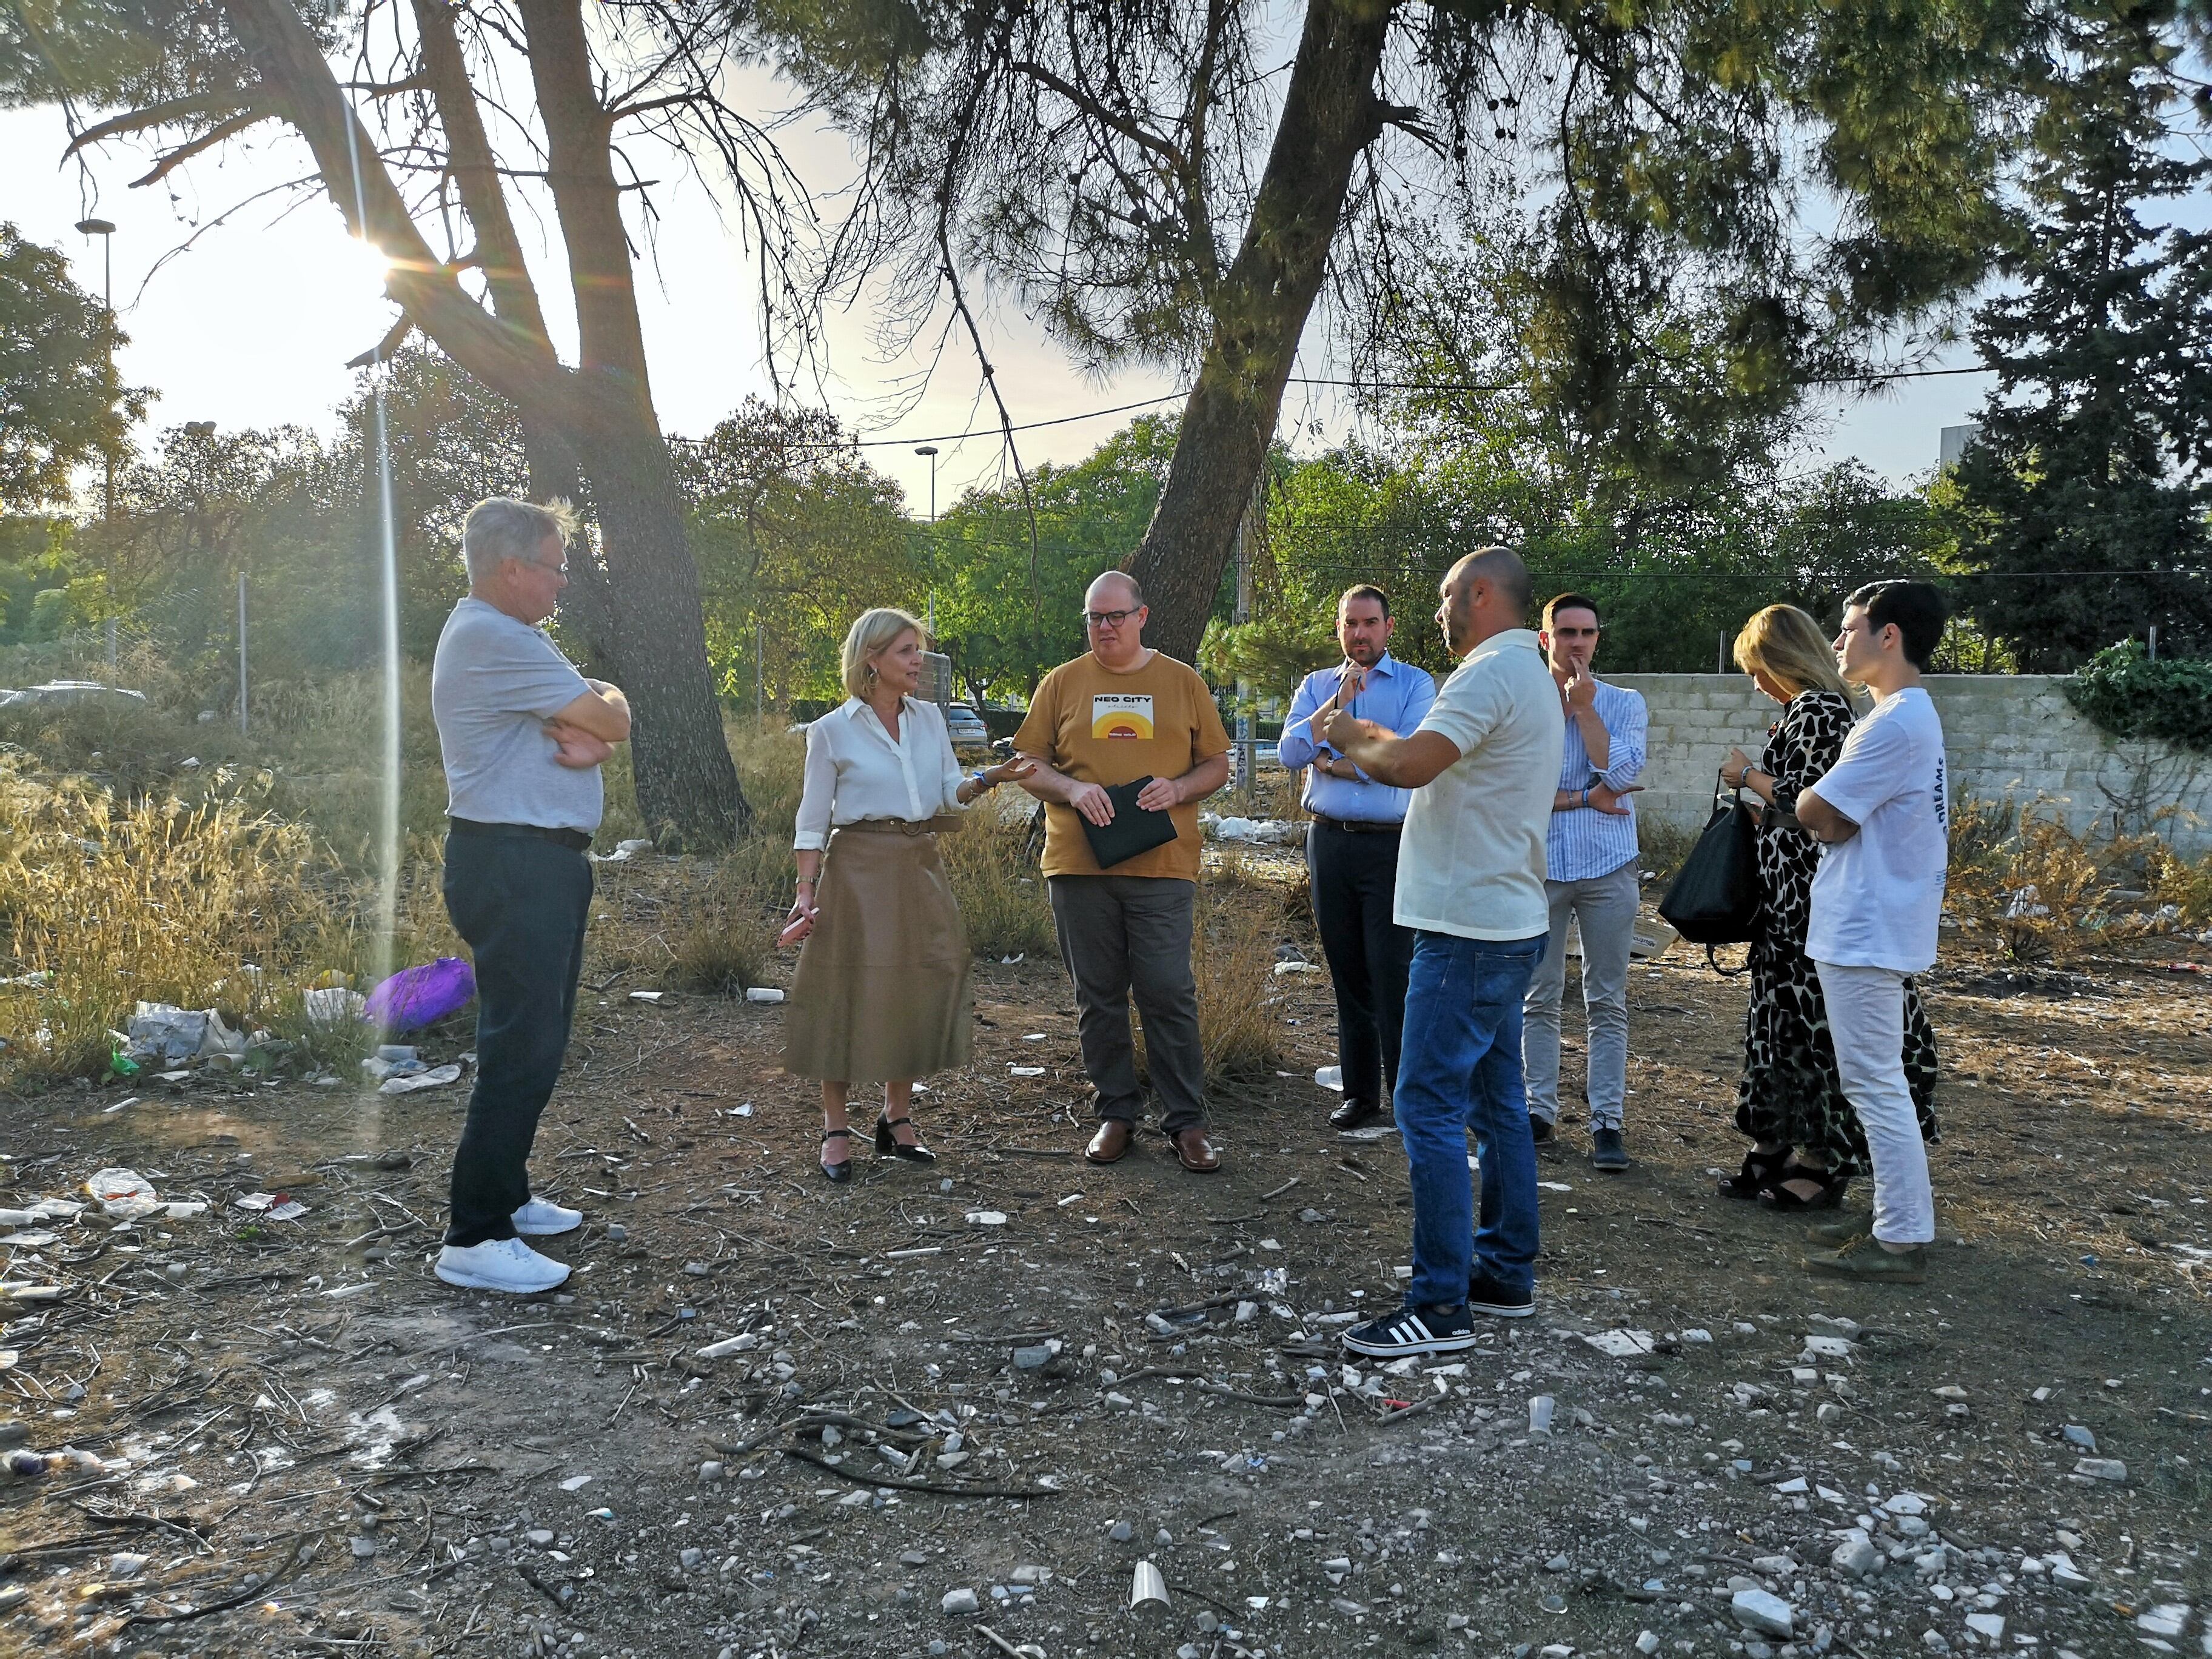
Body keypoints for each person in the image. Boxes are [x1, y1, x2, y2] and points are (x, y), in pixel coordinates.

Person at [1321, 549, 1564, 1356]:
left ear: (1482, 595)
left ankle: (1439, 1305)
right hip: (1502, 924)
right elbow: (1430, 749)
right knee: (1496, 1108)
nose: (1439, 611)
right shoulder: (1526, 671)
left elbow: (1414, 765)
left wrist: (1352, 733)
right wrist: (1371, 735)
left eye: (1446, 595)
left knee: (1424, 1103)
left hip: (1466, 933)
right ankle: (1502, 1274)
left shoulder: (1489, 672)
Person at [431, 497, 631, 1295]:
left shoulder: (512, 639)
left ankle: (506, 1197)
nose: (560, 584)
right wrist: (605, 715)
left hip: (533, 860)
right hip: (514, 862)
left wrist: (602, 712)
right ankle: (473, 1235)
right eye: (554, 568)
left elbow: (603, 711)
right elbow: (607, 718)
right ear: (512, 569)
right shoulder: (493, 636)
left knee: (538, 1040)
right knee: (522, 1047)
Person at [782, 609, 1034, 1180]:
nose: (918, 660)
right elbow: (811, 818)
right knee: (846, 989)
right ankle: (835, 1128)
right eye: (905, 651)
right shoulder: (832, 730)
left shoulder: (927, 720)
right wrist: (805, 890)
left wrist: (991, 778)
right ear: (872, 660)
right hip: (857, 867)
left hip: (920, 862)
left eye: (918, 650)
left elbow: (949, 792)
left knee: (919, 982)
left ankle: (897, 1119)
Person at [1717, 605, 1939, 1211]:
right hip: (1791, 904)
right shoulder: (1812, 712)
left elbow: (1814, 806)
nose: (1755, 683)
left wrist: (1748, 777)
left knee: (1812, 1040)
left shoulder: (1819, 710)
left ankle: (1822, 1160)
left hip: (1811, 905)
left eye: (1758, 670)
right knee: (1781, 1032)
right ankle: (1787, 1146)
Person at [1014, 571, 1232, 1172]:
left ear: (1142, 616)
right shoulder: (1061, 684)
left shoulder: (1182, 682)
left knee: (1167, 990)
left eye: (1114, 617)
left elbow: (1217, 763)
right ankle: (1116, 1113)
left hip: (1162, 865)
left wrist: (1181, 786)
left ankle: (1187, 1123)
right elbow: (1026, 763)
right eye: (1093, 618)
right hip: (1079, 865)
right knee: (1099, 996)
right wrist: (1072, 788)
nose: (1103, 628)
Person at [1795, 581, 1952, 1283]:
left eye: (1850, 627)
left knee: (1874, 1083)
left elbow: (1820, 812)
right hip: (1875, 921)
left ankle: (1900, 1236)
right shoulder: (1905, 717)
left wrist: (1810, 798)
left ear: (1889, 636)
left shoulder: (1891, 725)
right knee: (1874, 1080)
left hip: (1866, 925)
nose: (1838, 642)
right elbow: (1842, 814)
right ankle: (1898, 1222)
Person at [1275, 585, 1436, 1131]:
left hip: (1391, 844)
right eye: (1350, 624)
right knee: (1347, 972)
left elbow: (1406, 755)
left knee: (1393, 972)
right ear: (1340, 628)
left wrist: (1336, 761)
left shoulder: (1416, 684)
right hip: (1330, 841)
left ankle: (1407, 1098)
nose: (1360, 634)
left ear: (1389, 627)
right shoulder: (1318, 685)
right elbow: (1291, 752)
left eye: (1370, 624)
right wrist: (1336, 709)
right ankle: (1362, 1095)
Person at [1523, 593, 1647, 1171]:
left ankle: (1607, 1122)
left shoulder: (1623, 702)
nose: (1577, 644)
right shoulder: (1525, 705)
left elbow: (1622, 774)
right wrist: (1585, 798)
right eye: (1566, 632)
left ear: (1598, 639)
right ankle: (1538, 1112)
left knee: (1607, 999)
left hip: (1608, 868)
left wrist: (1588, 713)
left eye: (1588, 633)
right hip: (1539, 870)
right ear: (1545, 638)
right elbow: (1517, 796)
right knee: (1539, 996)